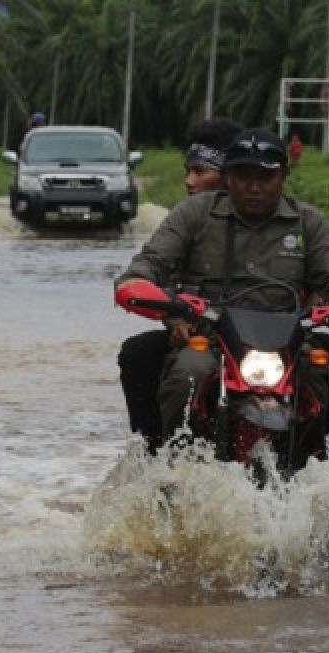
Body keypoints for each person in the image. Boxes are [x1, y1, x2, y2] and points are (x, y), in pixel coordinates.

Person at [116, 128, 329, 443]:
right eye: (243, 176)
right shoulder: (195, 213)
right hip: (209, 338)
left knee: (320, 367)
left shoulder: (308, 222)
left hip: (287, 344)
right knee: (190, 371)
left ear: (283, 177)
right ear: (227, 178)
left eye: (265, 178)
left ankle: (313, 459)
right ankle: (175, 458)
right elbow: (152, 261)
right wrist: (139, 283)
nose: (254, 187)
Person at [116, 117, 243, 451]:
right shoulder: (187, 217)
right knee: (138, 354)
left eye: (200, 172)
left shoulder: (290, 218)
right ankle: (158, 449)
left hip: (268, 342)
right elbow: (154, 270)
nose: (190, 181)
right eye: (188, 171)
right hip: (202, 334)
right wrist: (174, 318)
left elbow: (326, 275)